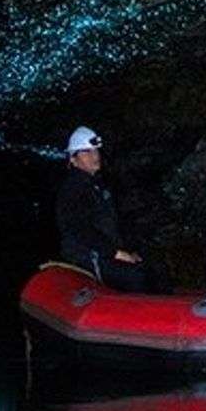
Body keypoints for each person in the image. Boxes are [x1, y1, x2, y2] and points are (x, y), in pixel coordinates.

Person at [54, 125, 170, 293]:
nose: (95, 156)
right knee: (136, 276)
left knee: (156, 266)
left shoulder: (99, 186)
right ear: (73, 159)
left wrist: (131, 250)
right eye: (87, 152)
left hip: (107, 253)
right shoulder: (73, 189)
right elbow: (80, 229)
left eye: (95, 151)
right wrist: (117, 253)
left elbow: (115, 223)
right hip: (88, 257)